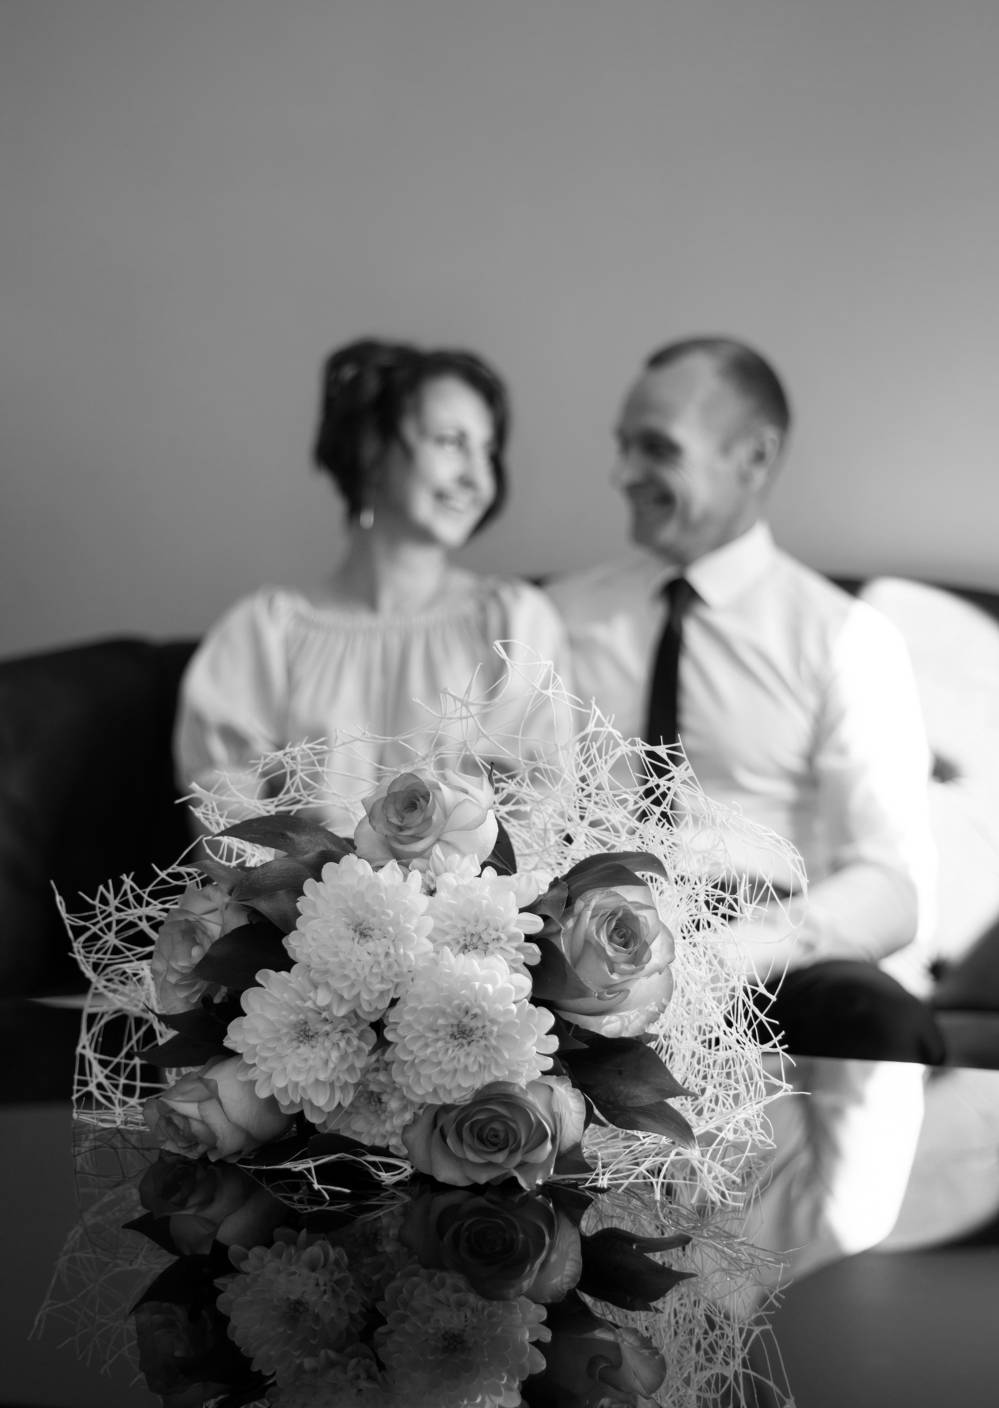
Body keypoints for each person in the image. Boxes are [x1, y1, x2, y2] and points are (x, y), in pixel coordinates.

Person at [546, 334, 943, 1296]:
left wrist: (737, 952)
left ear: (752, 457)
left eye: (655, 448)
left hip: (756, 962)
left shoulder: (841, 639)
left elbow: (892, 887)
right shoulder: (558, 619)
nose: (621, 474)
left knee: (875, 1029)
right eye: (622, 445)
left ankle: (771, 1293)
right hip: (573, 952)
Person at [174, 337, 572, 833]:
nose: (478, 478)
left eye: (487, 452)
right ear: (371, 447)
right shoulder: (264, 634)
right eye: (451, 442)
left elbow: (534, 819)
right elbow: (227, 828)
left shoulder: (513, 623)